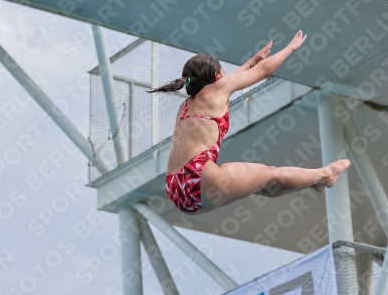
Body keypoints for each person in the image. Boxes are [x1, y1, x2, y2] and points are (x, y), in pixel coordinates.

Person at [148, 30, 351, 215]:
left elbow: (230, 81)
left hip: (176, 189)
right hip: (199, 176)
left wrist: (249, 63)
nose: (228, 78)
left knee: (265, 183)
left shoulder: (184, 107)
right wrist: (290, 48)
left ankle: (316, 181)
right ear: (217, 77)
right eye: (224, 74)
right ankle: (324, 175)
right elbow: (264, 72)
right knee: (270, 174)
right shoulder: (217, 91)